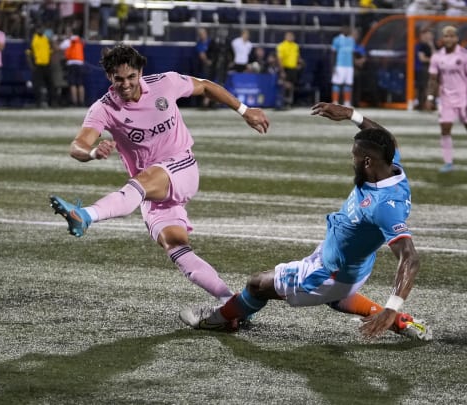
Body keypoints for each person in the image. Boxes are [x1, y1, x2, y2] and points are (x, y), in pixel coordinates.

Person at [179, 102, 432, 342]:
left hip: (329, 273)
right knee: (337, 298)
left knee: (257, 285)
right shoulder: (391, 163)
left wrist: (390, 307)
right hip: (349, 263)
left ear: (367, 162)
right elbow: (383, 136)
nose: (351, 160)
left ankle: (218, 319)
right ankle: (402, 322)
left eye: (354, 156)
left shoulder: (383, 206)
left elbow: (410, 258)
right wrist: (351, 115)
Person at [49, 44, 269, 304]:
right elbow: (78, 146)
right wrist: (93, 153)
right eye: (119, 79)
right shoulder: (103, 108)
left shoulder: (166, 83)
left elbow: (206, 86)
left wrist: (244, 111)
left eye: (131, 77)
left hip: (181, 167)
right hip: (152, 192)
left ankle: (84, 215)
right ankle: (229, 300)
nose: (126, 84)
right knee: (176, 246)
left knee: (139, 183)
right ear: (109, 77)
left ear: (141, 71)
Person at [425, 25, 467, 173]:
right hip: (446, 99)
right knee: (445, 129)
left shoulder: (464, 55)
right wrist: (430, 97)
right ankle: (448, 162)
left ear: (456, 38)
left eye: (452, 36)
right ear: (442, 39)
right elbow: (433, 79)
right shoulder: (437, 56)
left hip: (464, 97)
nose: (449, 39)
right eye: (446, 36)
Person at [60, 28, 86, 107]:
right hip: (80, 63)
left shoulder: (68, 41)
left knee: (73, 84)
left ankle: (74, 102)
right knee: (80, 84)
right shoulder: (79, 40)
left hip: (72, 64)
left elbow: (60, 47)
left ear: (70, 33)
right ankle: (81, 102)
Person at [331, 26, 356, 107]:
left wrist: (353, 65)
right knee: (337, 83)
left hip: (349, 66)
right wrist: (333, 65)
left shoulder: (351, 40)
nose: (346, 30)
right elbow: (333, 53)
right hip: (339, 65)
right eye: (345, 29)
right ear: (341, 30)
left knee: (348, 84)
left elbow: (353, 53)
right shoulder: (336, 39)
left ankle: (347, 102)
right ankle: (335, 102)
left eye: (348, 29)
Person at [276, 31, 300, 109]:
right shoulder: (281, 46)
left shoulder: (295, 46)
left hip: (293, 69)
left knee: (291, 86)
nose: (290, 37)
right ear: (285, 37)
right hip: (285, 68)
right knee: (286, 85)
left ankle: (289, 103)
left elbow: (297, 57)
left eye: (291, 36)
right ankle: (283, 102)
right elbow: (279, 59)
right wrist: (282, 71)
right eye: (289, 36)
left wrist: (298, 64)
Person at [414, 28, 435, 111]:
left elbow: (437, 56)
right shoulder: (420, 46)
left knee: (431, 87)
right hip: (422, 69)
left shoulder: (434, 45)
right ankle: (421, 103)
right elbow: (422, 59)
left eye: (430, 35)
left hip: (432, 69)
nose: (428, 37)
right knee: (422, 87)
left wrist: (432, 46)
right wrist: (433, 60)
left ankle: (431, 103)